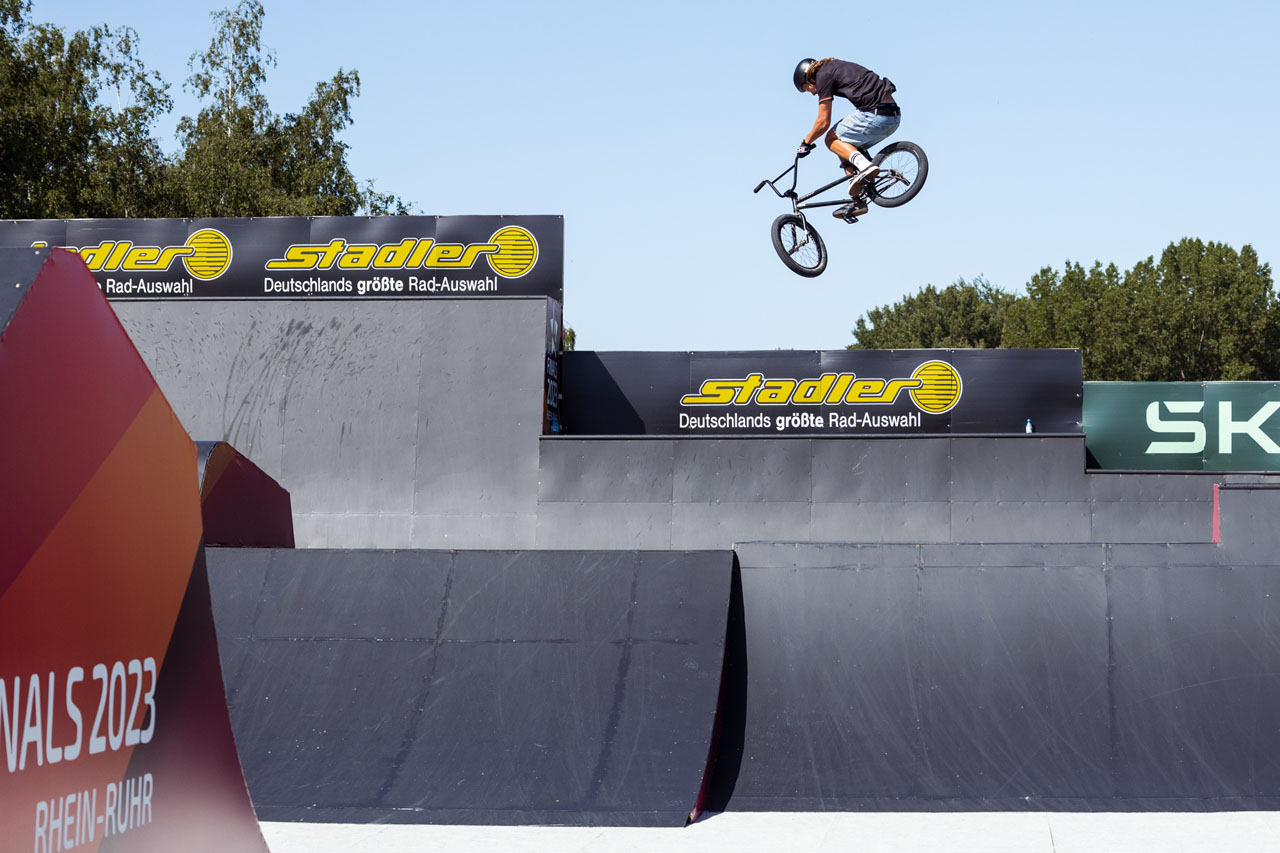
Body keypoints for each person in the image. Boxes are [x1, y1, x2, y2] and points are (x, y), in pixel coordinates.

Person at [794, 57, 901, 219]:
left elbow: (823, 122)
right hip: (892, 118)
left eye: (807, 88)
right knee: (845, 148)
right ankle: (858, 200)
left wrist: (806, 143)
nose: (812, 92)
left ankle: (864, 166)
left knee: (831, 139)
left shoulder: (823, 75)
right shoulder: (834, 68)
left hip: (876, 114)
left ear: (808, 76)